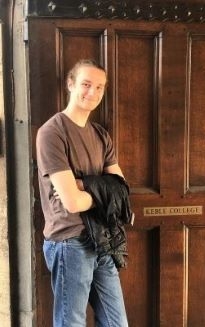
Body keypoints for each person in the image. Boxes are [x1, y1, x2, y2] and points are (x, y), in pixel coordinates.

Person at [36, 59, 129, 327]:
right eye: (86, 84)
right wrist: (102, 189)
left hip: (103, 237)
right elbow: (72, 203)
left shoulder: (101, 135)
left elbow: (121, 191)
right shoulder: (52, 133)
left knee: (116, 323)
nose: (93, 93)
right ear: (70, 84)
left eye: (99, 87)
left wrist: (83, 184)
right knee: (71, 323)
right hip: (70, 241)